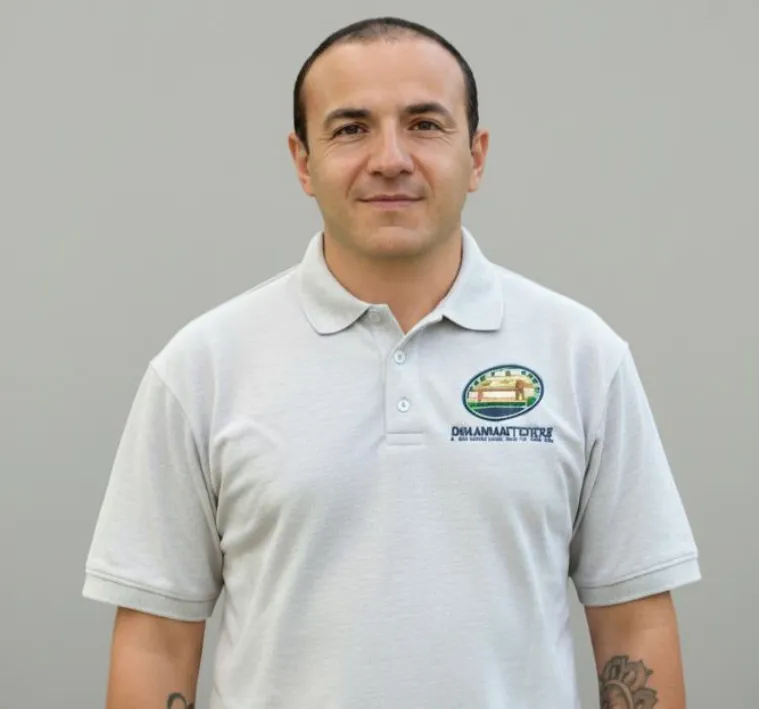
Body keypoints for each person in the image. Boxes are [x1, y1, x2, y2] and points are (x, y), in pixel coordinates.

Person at [83, 16, 701, 709]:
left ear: (476, 155)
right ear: (302, 161)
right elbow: (157, 640)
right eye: (351, 128)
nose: (390, 158)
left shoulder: (582, 356)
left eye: (424, 124)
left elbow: (633, 622)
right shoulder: (202, 368)